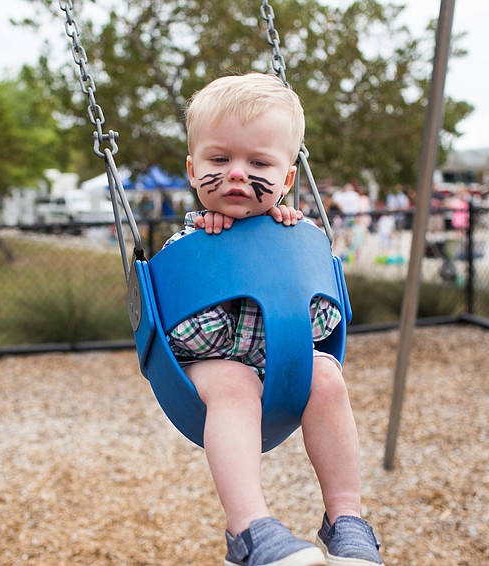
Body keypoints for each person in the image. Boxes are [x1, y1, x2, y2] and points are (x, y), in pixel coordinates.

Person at [163, 73, 383, 566]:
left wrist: (291, 256)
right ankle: (248, 531)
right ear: (193, 168)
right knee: (236, 381)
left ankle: (346, 518)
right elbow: (182, 335)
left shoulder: (297, 237)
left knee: (326, 373)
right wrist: (221, 257)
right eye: (220, 159)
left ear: (287, 179)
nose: (238, 173)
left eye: (258, 162)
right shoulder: (188, 245)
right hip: (210, 370)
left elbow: (325, 325)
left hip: (283, 366)